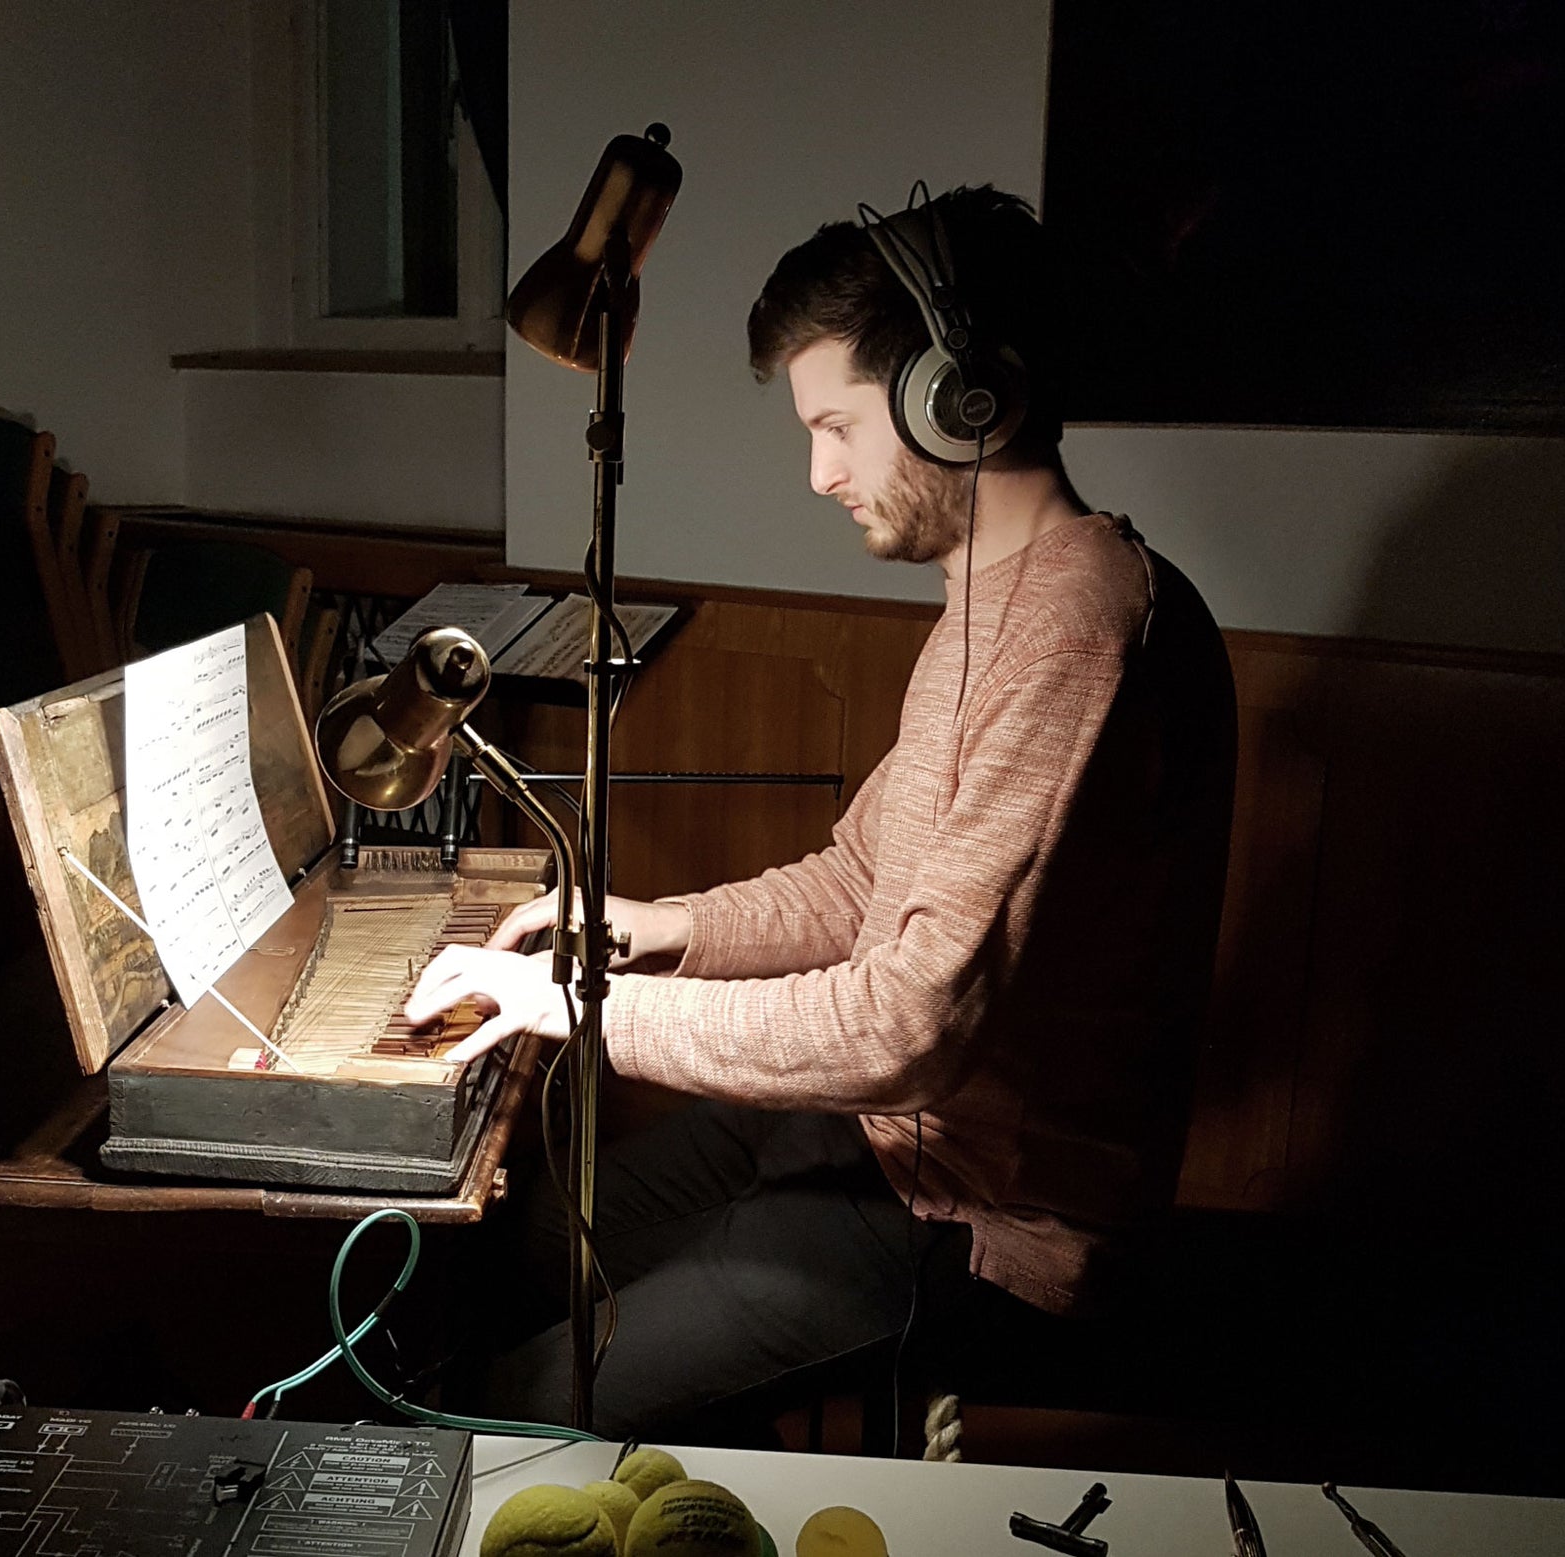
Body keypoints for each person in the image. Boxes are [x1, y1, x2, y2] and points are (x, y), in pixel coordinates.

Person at [408, 185, 1238, 1438]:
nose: (818, 473)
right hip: (869, 1143)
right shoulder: (996, 599)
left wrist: (577, 1007)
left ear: (958, 395)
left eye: (839, 425)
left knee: (508, 1409)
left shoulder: (1077, 624)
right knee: (511, 1245)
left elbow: (909, 1023)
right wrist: (638, 927)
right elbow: (859, 883)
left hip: (975, 1223)